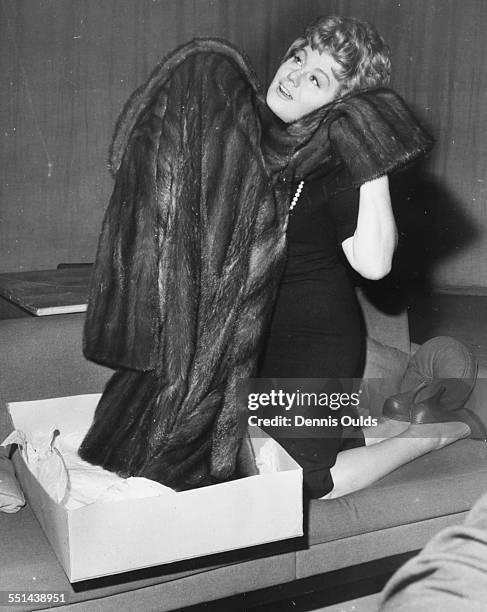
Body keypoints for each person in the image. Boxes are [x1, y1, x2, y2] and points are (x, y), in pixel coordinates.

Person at [257, 15, 478, 499]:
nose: (293, 75)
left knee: (306, 483)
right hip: (260, 336)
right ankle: (404, 403)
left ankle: (438, 431)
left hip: (313, 340)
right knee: (251, 456)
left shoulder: (340, 166)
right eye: (298, 57)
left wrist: (368, 147)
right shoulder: (270, 146)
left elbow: (374, 265)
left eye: (316, 77)